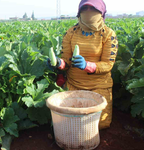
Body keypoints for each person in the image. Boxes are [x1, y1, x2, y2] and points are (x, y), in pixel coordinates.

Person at [47, 0, 118, 130]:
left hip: (99, 85)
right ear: (79, 12)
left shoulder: (108, 34)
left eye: (93, 9)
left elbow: (108, 64)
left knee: (100, 124)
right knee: (69, 121)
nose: (89, 12)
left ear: (101, 12)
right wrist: (59, 63)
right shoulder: (71, 33)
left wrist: (87, 66)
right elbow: (66, 61)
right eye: (85, 8)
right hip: (74, 84)